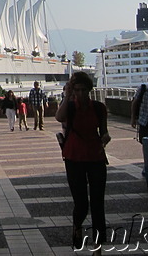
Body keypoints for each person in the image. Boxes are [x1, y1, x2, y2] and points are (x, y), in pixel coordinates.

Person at [55, 71, 110, 252]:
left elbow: (103, 130)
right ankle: (77, 226)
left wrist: (105, 137)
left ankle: (98, 245)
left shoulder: (98, 108)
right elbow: (59, 117)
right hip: (74, 157)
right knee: (81, 203)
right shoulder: (70, 107)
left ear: (89, 90)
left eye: (83, 90)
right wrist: (67, 95)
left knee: (97, 202)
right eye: (77, 90)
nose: (80, 94)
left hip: (95, 156)